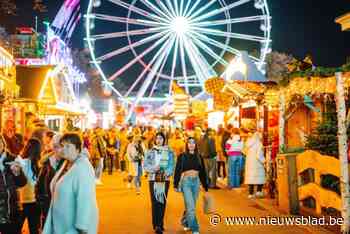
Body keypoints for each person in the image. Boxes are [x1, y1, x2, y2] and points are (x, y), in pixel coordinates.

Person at [43, 133, 98, 234]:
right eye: (63, 146)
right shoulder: (66, 163)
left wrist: (82, 226)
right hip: (62, 223)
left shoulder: (83, 167)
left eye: (68, 146)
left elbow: (85, 199)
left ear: (78, 148)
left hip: (73, 227)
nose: (64, 149)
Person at [174, 137, 209, 234]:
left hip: (196, 182)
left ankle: (185, 222)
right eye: (189, 143)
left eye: (193, 143)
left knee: (190, 206)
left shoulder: (199, 156)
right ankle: (195, 228)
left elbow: (202, 172)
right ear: (186, 144)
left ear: (196, 145)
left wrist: (205, 185)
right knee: (191, 207)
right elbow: (177, 170)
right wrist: (175, 184)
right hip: (186, 183)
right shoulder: (182, 156)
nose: (191, 144)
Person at [144, 132, 174, 234]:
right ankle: (156, 225)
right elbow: (145, 166)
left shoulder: (169, 151)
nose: (159, 140)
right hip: (153, 179)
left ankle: (160, 224)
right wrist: (153, 168)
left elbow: (171, 165)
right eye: (157, 138)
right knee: (155, 202)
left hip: (164, 179)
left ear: (164, 140)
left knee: (162, 201)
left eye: (161, 138)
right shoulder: (150, 151)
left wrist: (167, 172)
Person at [0, 134, 27, 234]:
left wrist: (17, 173)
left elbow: (22, 183)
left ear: (3, 144)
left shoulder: (13, 159)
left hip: (11, 211)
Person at [35, 134, 64, 226]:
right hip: (48, 200)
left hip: (63, 201)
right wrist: (40, 200)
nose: (57, 149)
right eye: (55, 146)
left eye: (60, 146)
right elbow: (39, 182)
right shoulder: (47, 162)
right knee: (47, 224)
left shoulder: (68, 163)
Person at [17, 138, 42, 234]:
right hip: (35, 201)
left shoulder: (22, 162)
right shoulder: (39, 165)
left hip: (22, 201)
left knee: (15, 229)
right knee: (34, 229)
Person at [244, 130, 266, 199]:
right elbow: (259, 155)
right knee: (259, 177)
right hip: (257, 163)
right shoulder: (259, 144)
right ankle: (258, 192)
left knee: (251, 178)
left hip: (250, 163)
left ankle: (250, 193)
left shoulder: (248, 143)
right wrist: (264, 161)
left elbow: (244, 152)